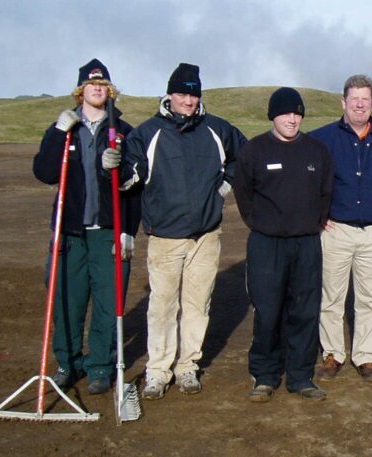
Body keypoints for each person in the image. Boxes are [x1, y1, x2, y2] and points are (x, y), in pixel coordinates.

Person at [103, 63, 246, 400]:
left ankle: (187, 367)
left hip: (206, 235)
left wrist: (224, 186)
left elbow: (244, 157)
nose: (189, 100)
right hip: (165, 236)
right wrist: (112, 165)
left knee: (197, 305)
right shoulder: (147, 133)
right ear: (170, 94)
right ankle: (157, 370)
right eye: (182, 93)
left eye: (194, 94)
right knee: (162, 306)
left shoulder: (218, 129)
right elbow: (128, 178)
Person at [33, 58, 139, 395]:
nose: (98, 89)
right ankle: (68, 362)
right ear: (80, 91)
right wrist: (56, 132)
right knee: (68, 299)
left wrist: (127, 232)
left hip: (108, 230)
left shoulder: (124, 132)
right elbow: (45, 173)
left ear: (110, 90)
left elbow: (135, 188)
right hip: (71, 233)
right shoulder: (65, 129)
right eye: (91, 84)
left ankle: (99, 367)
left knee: (108, 303)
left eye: (103, 84)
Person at [308, 75, 372, 382]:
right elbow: (305, 180)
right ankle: (332, 354)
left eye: (365, 99)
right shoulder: (321, 140)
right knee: (332, 296)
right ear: (343, 102)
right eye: (354, 98)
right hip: (335, 230)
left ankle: (365, 356)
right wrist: (316, 213)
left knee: (370, 298)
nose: (359, 104)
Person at [234, 87, 334, 402]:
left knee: (304, 311)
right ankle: (264, 375)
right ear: (272, 116)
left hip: (306, 243)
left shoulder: (316, 151)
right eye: (285, 113)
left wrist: (313, 222)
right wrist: (262, 224)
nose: (292, 119)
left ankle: (301, 376)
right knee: (268, 311)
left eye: (297, 113)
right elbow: (243, 194)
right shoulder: (254, 150)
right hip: (267, 244)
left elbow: (325, 193)